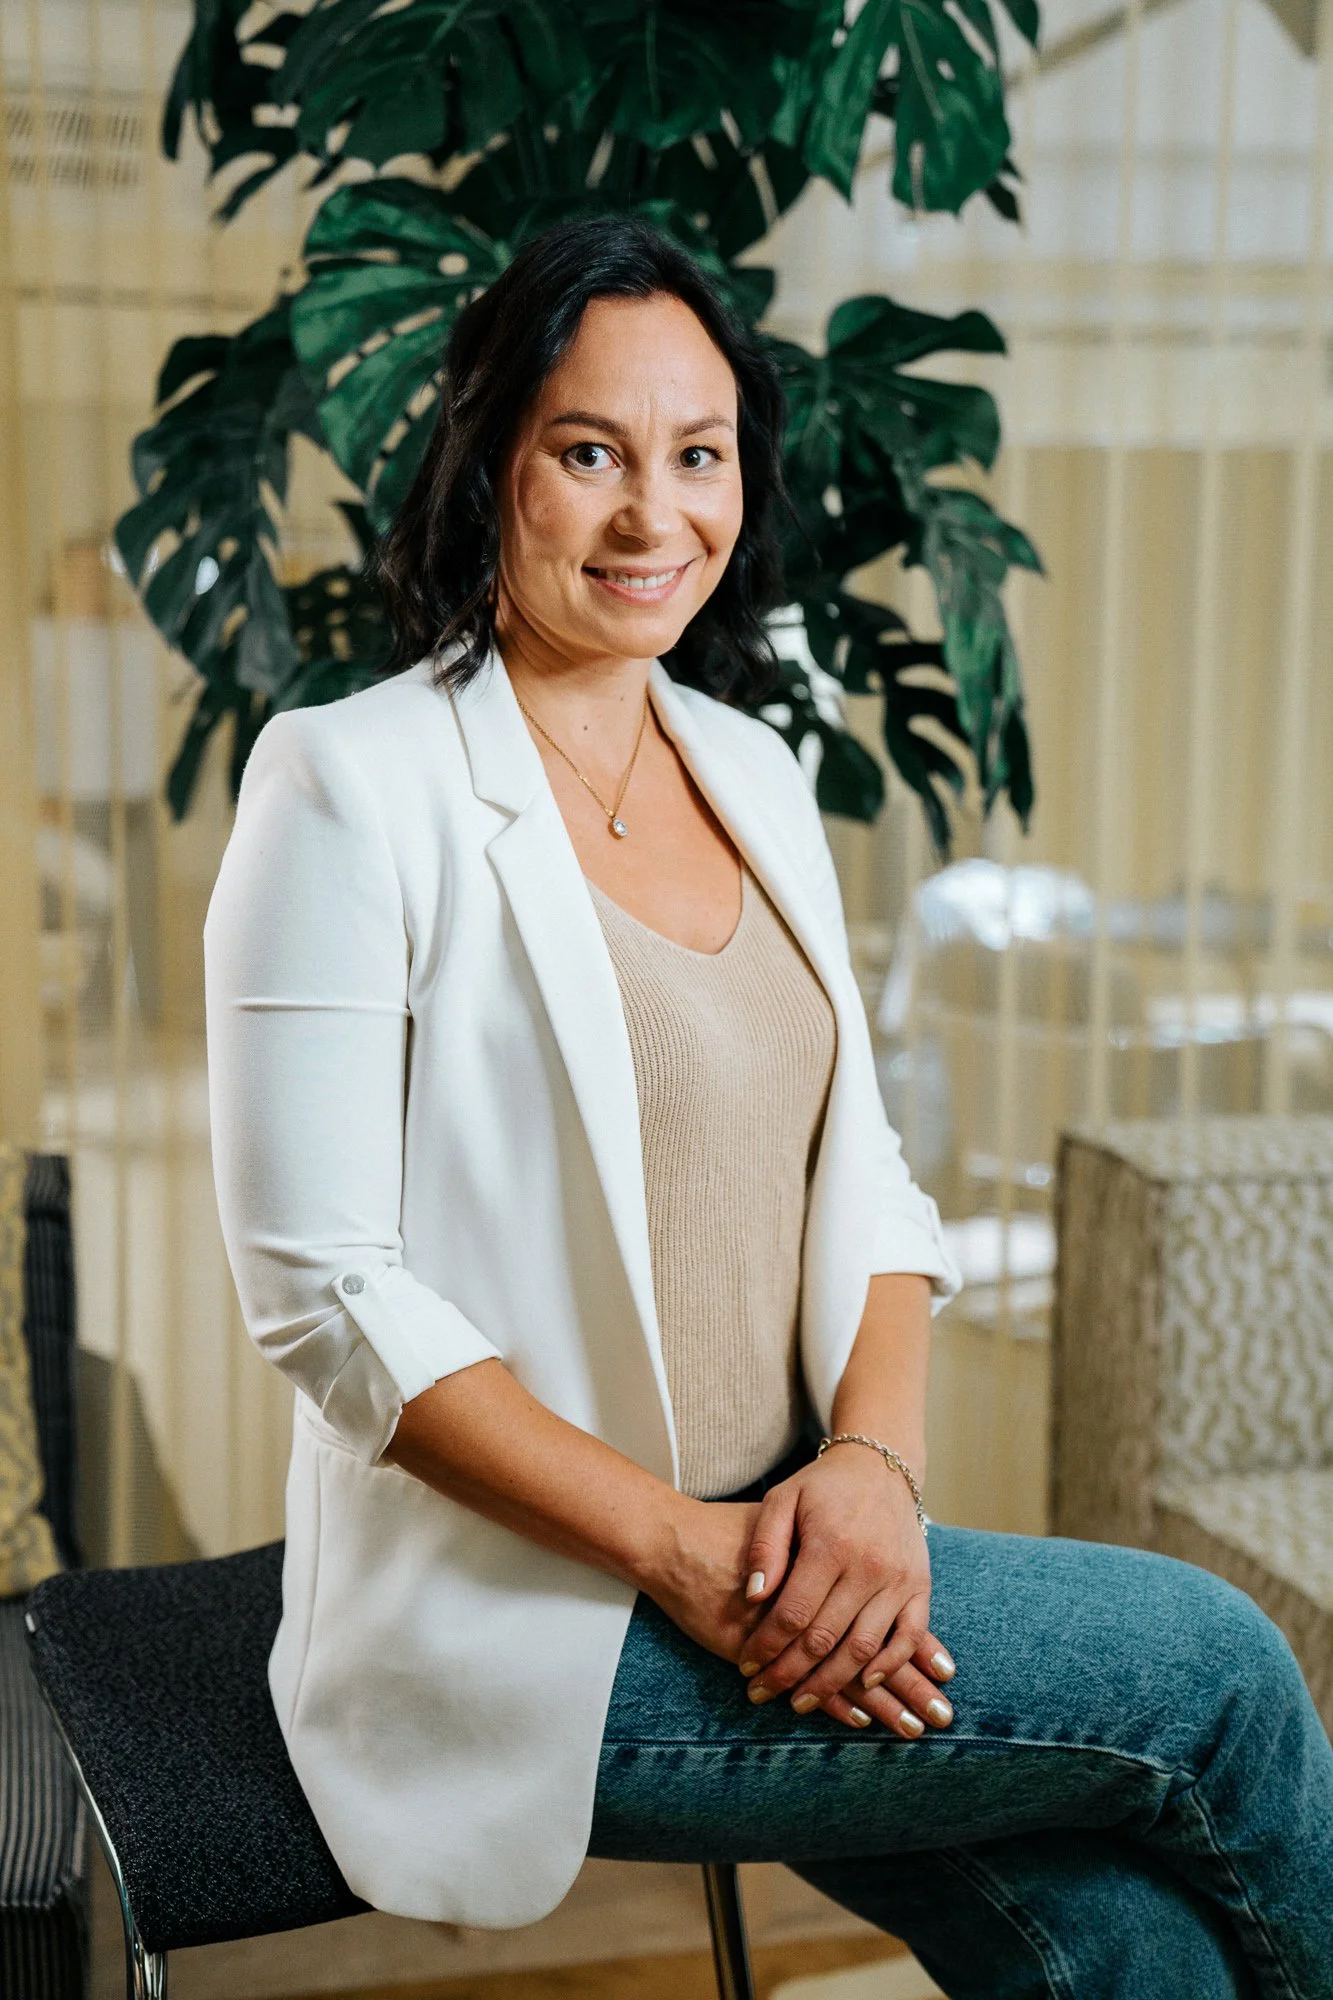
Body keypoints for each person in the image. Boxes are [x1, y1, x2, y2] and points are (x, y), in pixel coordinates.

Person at [204, 216, 1333, 1999]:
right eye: (590, 455)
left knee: (1139, 1957)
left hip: (807, 1555)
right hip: (556, 1620)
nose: (656, 517)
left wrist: (871, 1482)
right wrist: (687, 1553)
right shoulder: (352, 784)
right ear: (490, 458)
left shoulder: (750, 768)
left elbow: (862, 1178)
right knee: (1221, 1676)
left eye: (699, 456)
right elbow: (325, 1294)